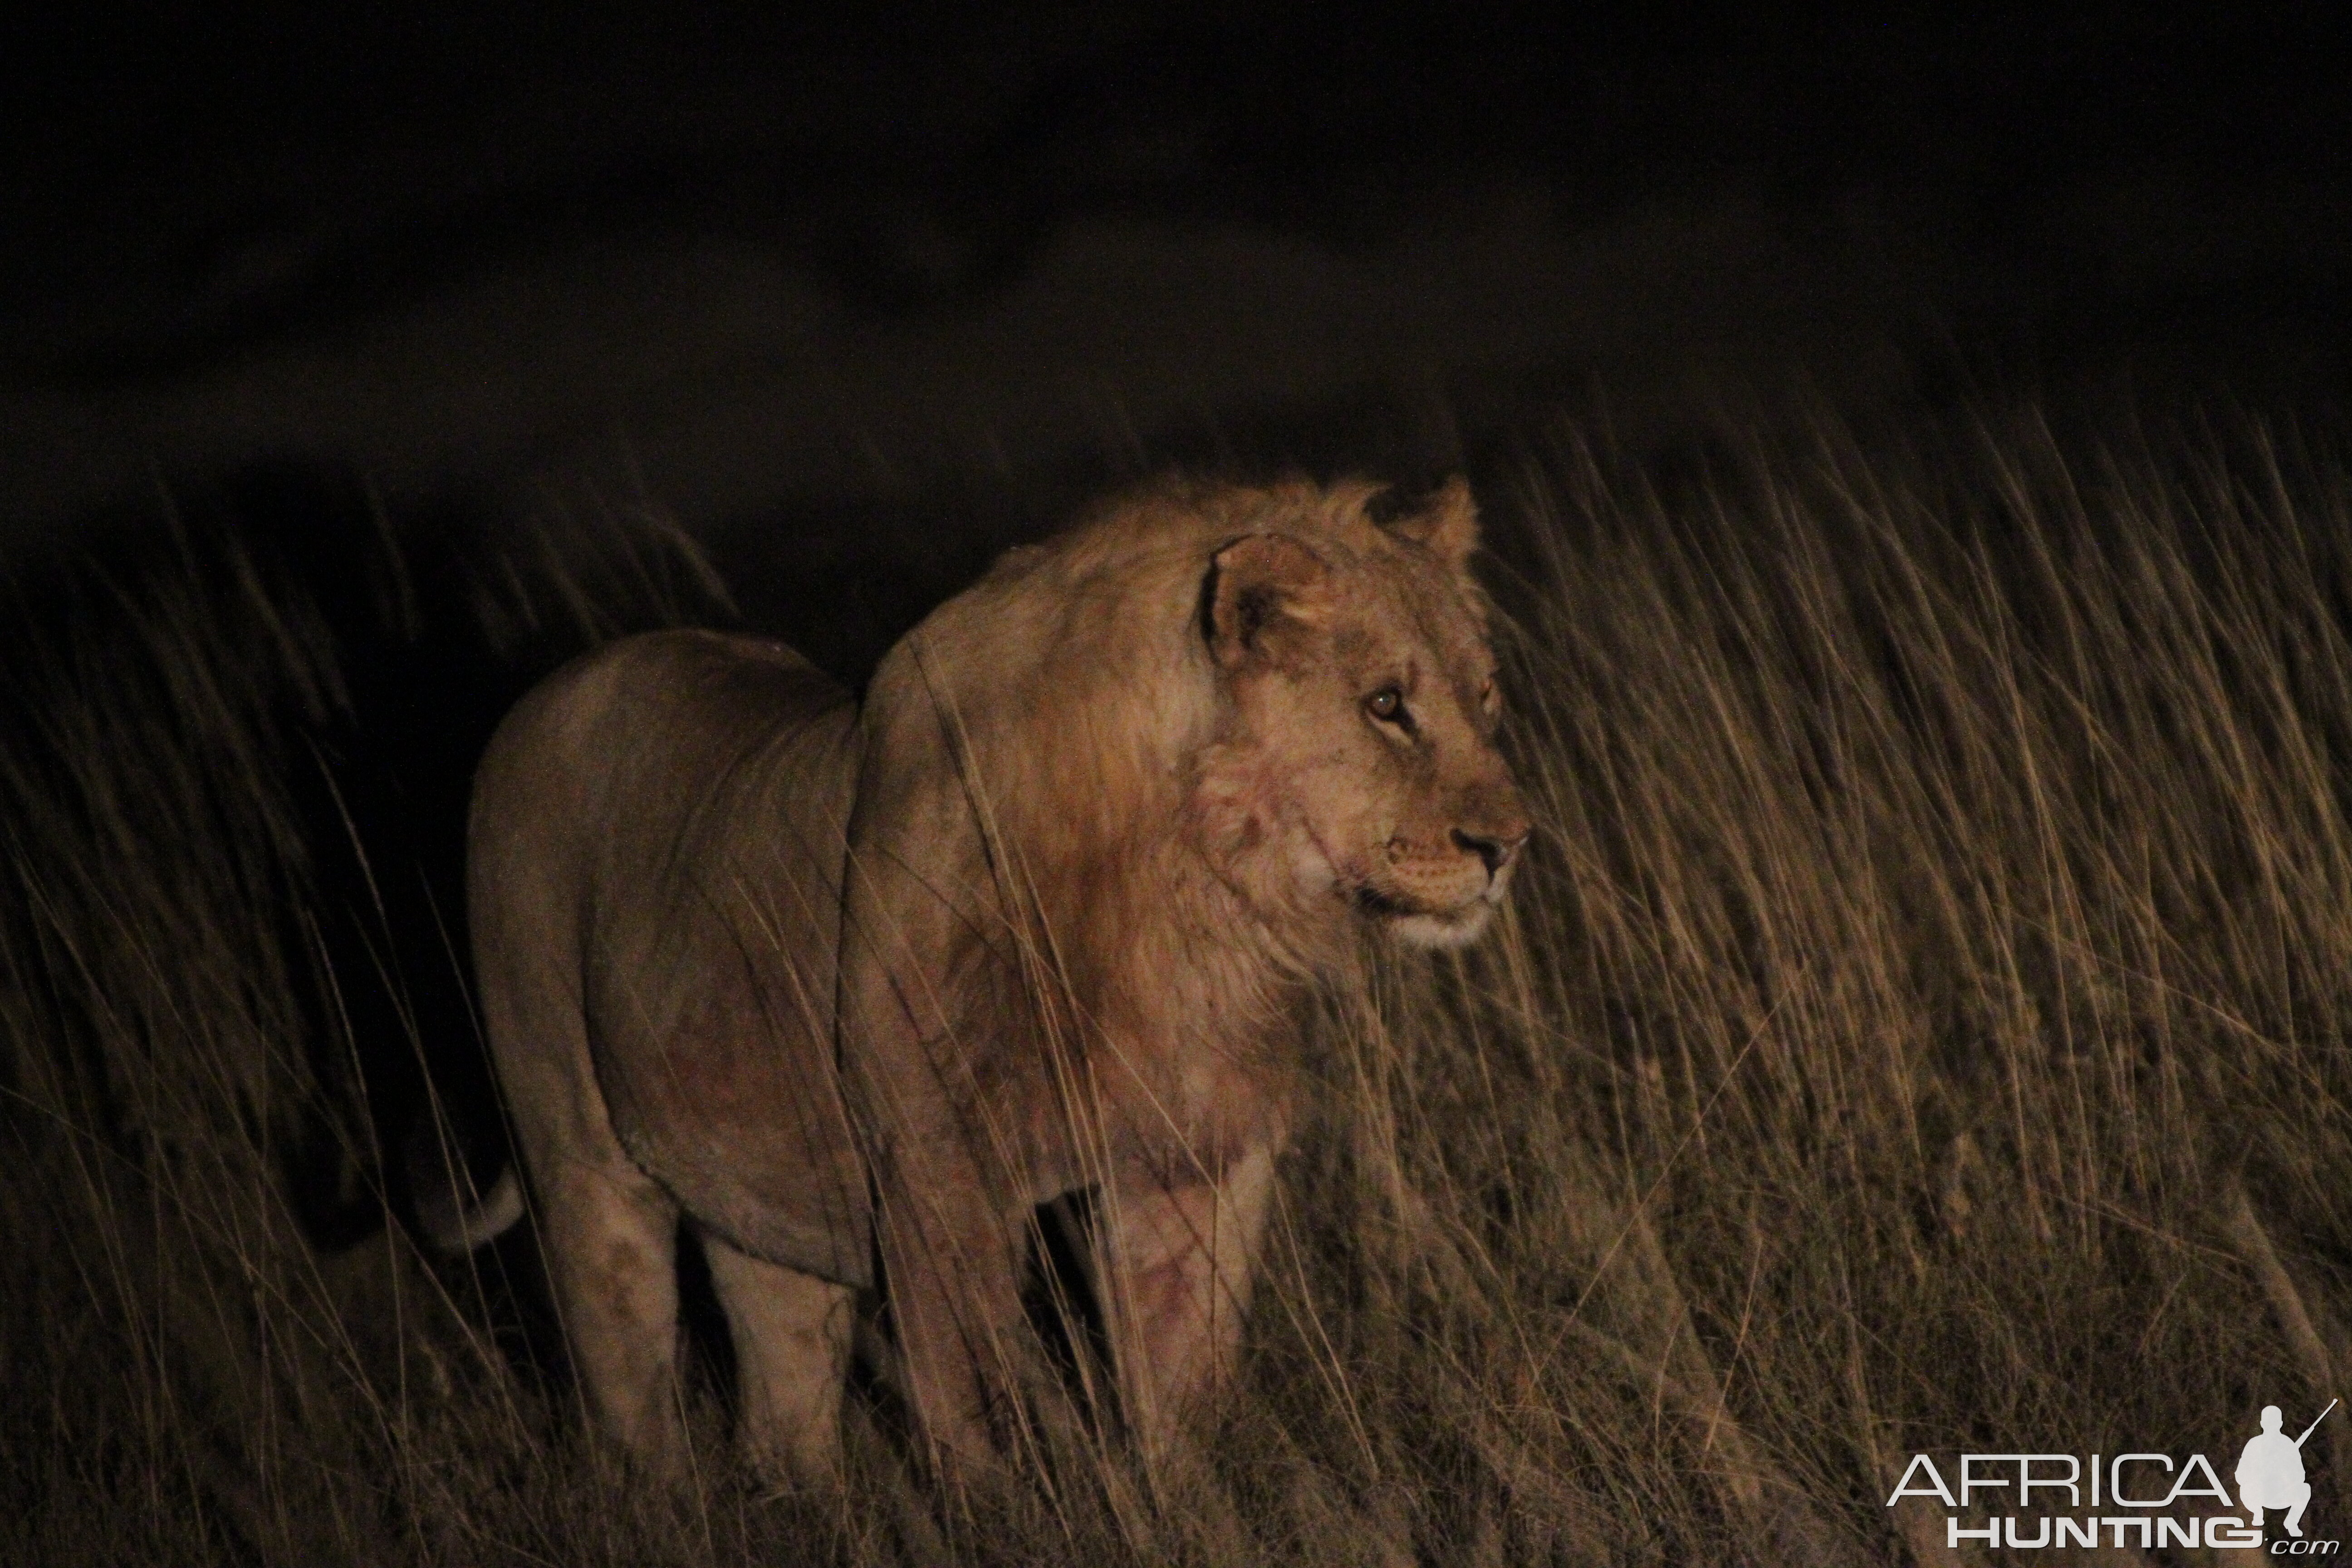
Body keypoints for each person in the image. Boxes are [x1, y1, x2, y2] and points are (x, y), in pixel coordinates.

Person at [2239, 1404, 2312, 1538]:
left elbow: (2301, 1475)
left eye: (2274, 1422)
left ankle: (2292, 1522)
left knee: (2305, 1489)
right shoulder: (2254, 1444)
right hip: (2259, 1496)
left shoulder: (2288, 1444)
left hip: (2281, 1495)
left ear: (2280, 1424)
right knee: (2245, 1488)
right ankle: (2257, 1513)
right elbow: (2240, 1475)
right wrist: (2258, 1474)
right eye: (2268, 1422)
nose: (2271, 1426)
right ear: (2262, 1424)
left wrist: (2285, 1472)